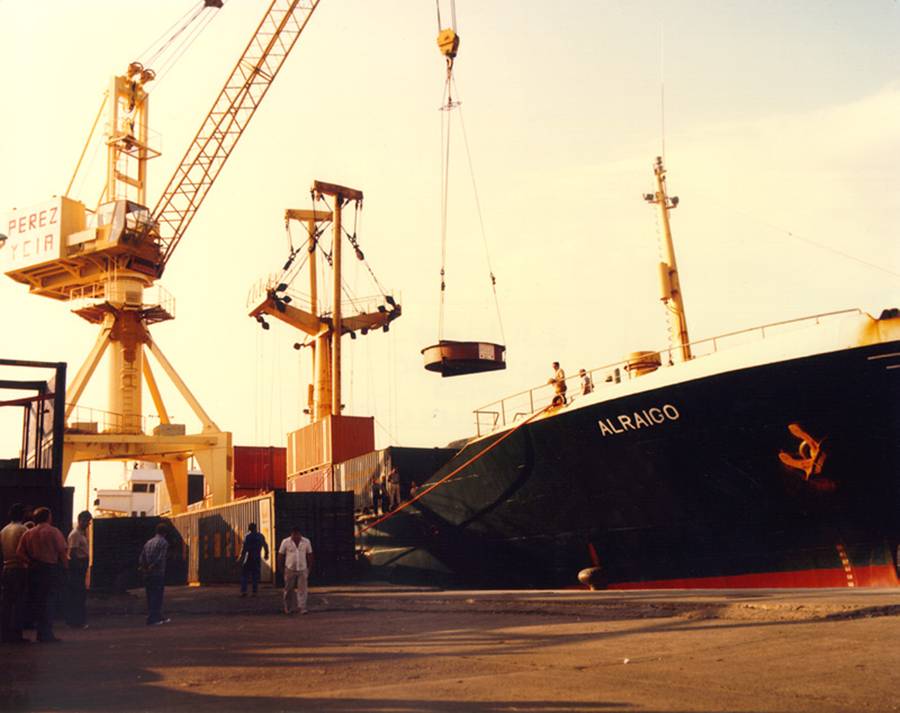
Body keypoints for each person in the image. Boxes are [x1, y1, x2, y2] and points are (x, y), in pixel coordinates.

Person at [16, 506, 68, 643]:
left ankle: (39, 630)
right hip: (49, 568)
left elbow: (19, 552)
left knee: (37, 601)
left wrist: (30, 562)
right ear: (48, 517)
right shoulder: (54, 531)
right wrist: (65, 567)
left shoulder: (29, 533)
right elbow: (62, 551)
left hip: (34, 569)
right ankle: (46, 633)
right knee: (49, 601)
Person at [1, 503, 30, 643]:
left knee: (7, 602)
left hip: (6, 568)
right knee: (19, 602)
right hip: (19, 567)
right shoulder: (23, 529)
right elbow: (27, 549)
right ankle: (17, 633)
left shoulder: (4, 530)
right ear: (22, 514)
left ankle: (5, 632)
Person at [139, 524, 170, 626]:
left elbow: (141, 557)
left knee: (150, 595)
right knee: (157, 595)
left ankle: (157, 616)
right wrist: (152, 566)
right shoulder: (163, 542)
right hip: (158, 572)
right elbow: (161, 558)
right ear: (165, 533)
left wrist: (144, 568)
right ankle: (153, 618)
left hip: (147, 573)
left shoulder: (148, 542)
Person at [65, 511, 92, 629]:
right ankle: (75, 621)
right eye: (87, 521)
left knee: (79, 594)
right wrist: (78, 566)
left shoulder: (82, 534)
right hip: (77, 567)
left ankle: (77, 620)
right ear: (81, 520)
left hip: (81, 565)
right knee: (77, 595)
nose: (88, 524)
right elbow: (72, 553)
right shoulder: (75, 535)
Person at [278, 526, 314, 615]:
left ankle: (302, 607)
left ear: (300, 534)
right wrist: (281, 568)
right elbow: (281, 555)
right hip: (290, 568)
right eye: (294, 534)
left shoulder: (306, 542)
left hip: (302, 568)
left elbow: (310, 554)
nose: (296, 536)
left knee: (302, 589)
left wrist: (309, 568)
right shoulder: (285, 542)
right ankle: (288, 608)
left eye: (297, 534)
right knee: (288, 589)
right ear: (291, 534)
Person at [238, 522, 269, 597]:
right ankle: (254, 592)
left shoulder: (247, 536)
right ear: (256, 528)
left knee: (245, 575)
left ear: (249, 529)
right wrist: (266, 554)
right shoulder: (260, 536)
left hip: (248, 557)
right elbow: (265, 545)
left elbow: (244, 548)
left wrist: (240, 558)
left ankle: (244, 591)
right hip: (257, 557)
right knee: (255, 575)